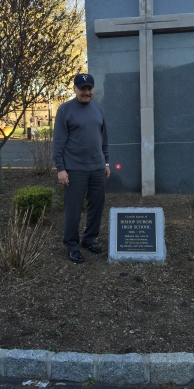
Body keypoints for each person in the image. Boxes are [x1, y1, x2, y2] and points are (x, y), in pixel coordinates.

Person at [52, 73, 110, 263]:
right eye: (82, 88)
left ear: (93, 89)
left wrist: (106, 162)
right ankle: (72, 245)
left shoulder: (98, 110)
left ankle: (89, 239)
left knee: (97, 206)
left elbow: (104, 140)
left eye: (89, 88)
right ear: (75, 89)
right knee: (73, 209)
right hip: (74, 169)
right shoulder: (65, 110)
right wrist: (60, 168)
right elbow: (58, 142)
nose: (86, 92)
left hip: (98, 168)